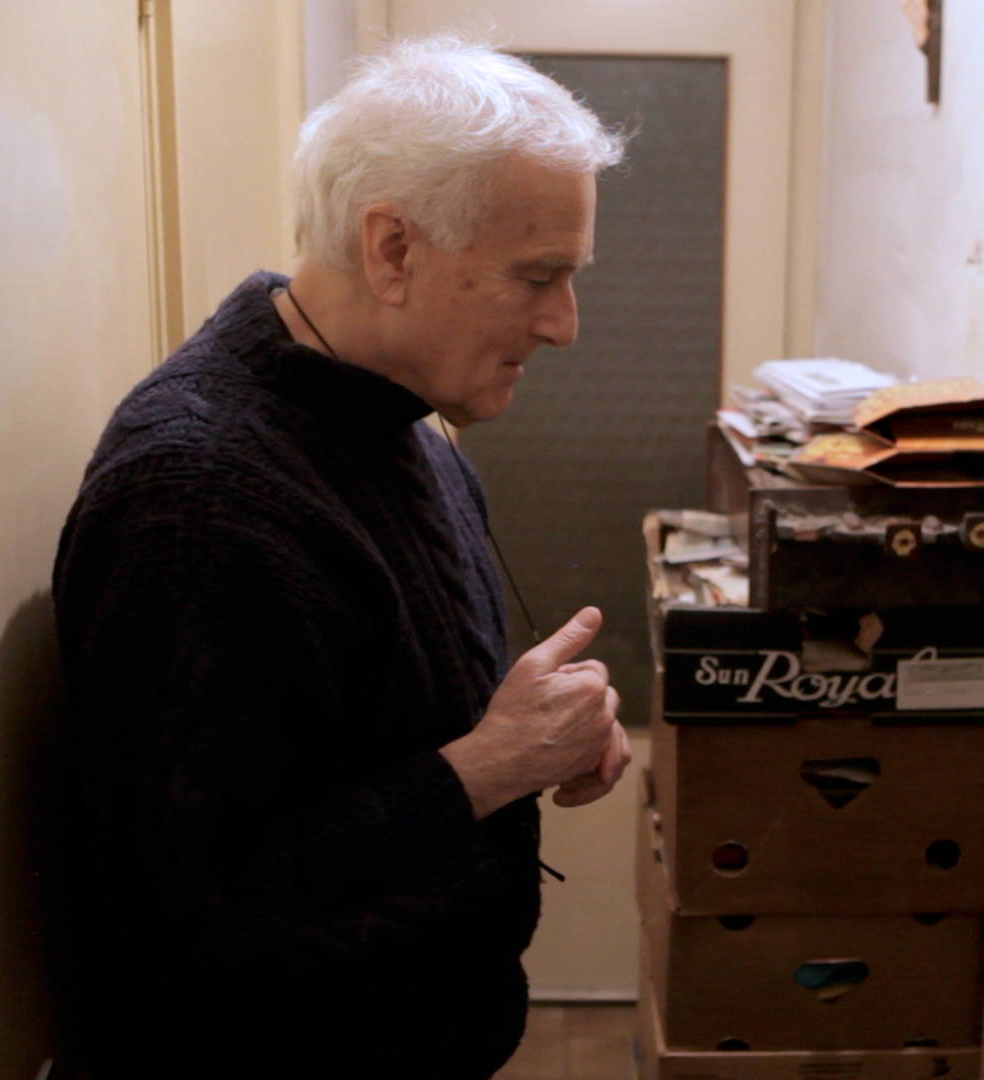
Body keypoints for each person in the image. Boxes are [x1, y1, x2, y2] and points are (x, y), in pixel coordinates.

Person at [52, 36, 633, 1079]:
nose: (564, 325)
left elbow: (375, 727)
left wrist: (538, 736)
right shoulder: (199, 502)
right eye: (538, 277)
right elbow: (197, 914)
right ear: (392, 249)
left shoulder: (397, 417)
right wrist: (494, 764)